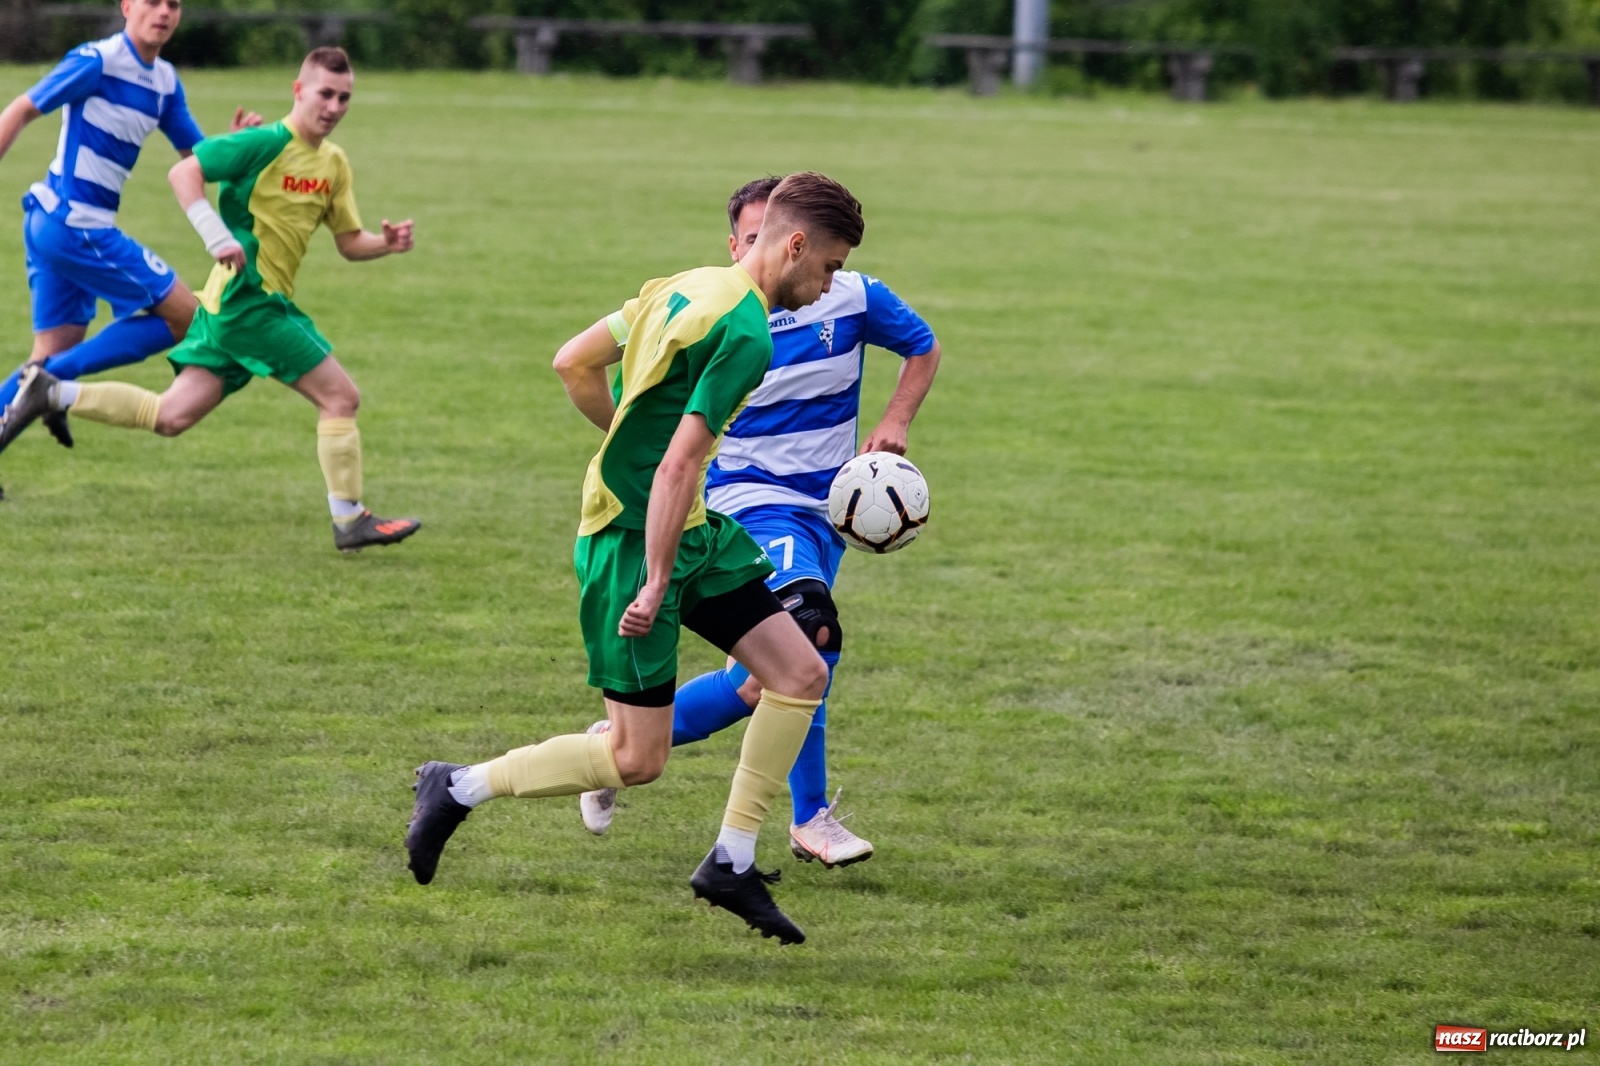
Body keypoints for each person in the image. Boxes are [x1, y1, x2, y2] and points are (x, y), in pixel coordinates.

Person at [403, 172, 866, 945]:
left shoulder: (686, 285)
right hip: (632, 541)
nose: (826, 288)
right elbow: (680, 463)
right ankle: (457, 785)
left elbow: (573, 362)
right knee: (634, 758)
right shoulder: (747, 333)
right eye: (828, 268)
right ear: (794, 245)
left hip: (688, 529)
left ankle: (732, 860)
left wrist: (628, 439)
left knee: (800, 672)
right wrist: (655, 577)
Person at [576, 177, 940, 870]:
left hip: (825, 512)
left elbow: (923, 344)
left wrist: (895, 422)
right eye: (743, 238)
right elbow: (636, 408)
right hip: (748, 500)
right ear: (738, 242)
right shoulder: (724, 318)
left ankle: (609, 747)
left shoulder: (853, 296)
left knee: (761, 684)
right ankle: (807, 822)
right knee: (812, 633)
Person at [0, 47, 421, 553]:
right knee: (341, 397)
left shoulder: (333, 163)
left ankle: (53, 391)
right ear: (298, 90)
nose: (333, 106)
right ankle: (350, 519)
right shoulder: (265, 142)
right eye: (324, 94)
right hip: (249, 300)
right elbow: (184, 173)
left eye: (344, 98)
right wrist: (215, 234)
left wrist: (387, 244)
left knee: (170, 417)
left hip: (229, 307)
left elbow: (349, 243)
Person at [0, 0, 261, 450]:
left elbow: (195, 158)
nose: (164, 12)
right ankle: (50, 387)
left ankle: (43, 384)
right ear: (126, 6)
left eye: (174, 4)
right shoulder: (96, 61)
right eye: (153, 2)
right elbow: (21, 110)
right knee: (185, 317)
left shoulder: (164, 82)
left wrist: (232, 144)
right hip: (74, 226)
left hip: (57, 226)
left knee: (49, 354)